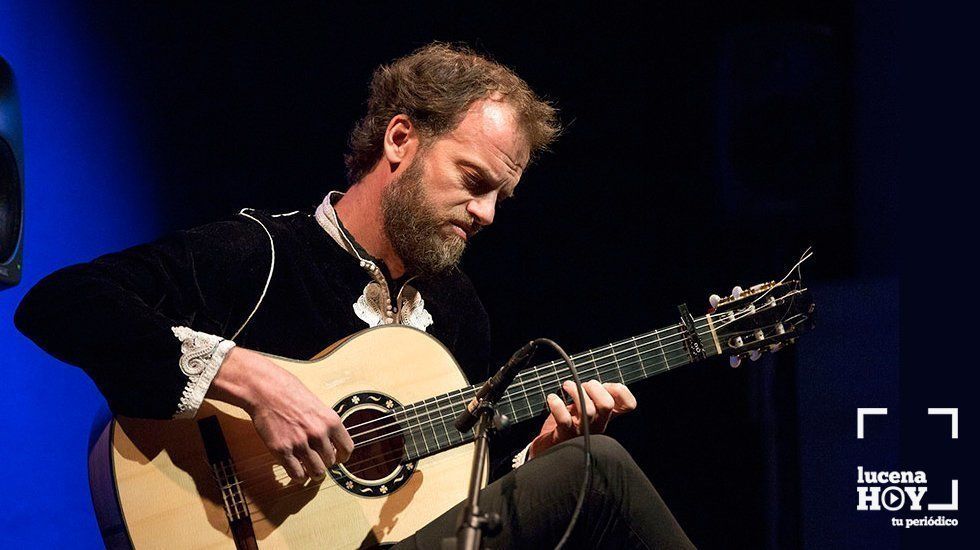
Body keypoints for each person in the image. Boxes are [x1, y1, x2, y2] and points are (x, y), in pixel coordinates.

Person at [15, 42, 694, 548]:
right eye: (473, 179)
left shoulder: (458, 312)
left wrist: (536, 462)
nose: (487, 213)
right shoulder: (260, 256)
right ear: (400, 139)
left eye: (500, 197)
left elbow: (448, 513)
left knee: (578, 466)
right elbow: (59, 301)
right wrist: (248, 378)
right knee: (599, 471)